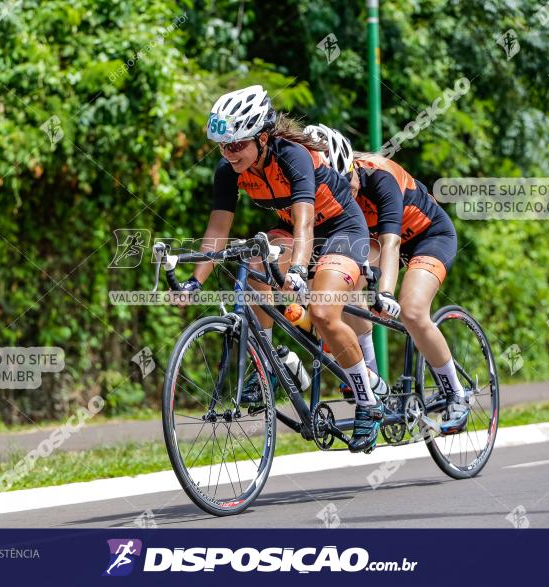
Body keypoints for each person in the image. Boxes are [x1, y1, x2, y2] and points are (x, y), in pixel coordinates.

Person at [180, 85, 388, 452]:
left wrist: (296, 271)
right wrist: (194, 282)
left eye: (236, 145)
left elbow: (305, 223)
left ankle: (368, 400)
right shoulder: (229, 170)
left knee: (323, 312)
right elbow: (217, 231)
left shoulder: (293, 155)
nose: (228, 155)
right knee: (254, 260)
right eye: (222, 146)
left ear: (262, 138)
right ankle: (272, 362)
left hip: (341, 230)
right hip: (293, 231)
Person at [304, 125, 469, 434]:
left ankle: (456, 395)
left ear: (353, 168)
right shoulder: (327, 193)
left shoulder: (380, 176)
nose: (347, 194)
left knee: (412, 310)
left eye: (349, 185)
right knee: (346, 292)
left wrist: (387, 293)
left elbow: (391, 243)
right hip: (377, 242)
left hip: (425, 237)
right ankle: (372, 382)